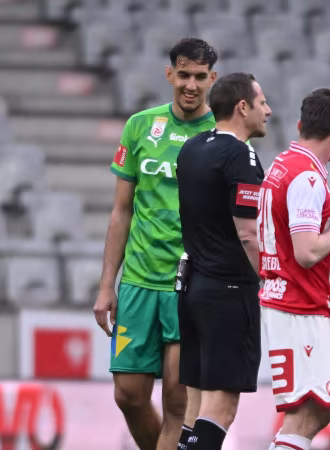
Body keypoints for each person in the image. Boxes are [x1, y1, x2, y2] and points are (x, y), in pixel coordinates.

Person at [92, 37, 218, 450]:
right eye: (184, 75)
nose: (191, 85)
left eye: (200, 76)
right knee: (128, 396)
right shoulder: (141, 126)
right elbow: (120, 211)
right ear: (169, 74)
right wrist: (107, 285)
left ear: (212, 79)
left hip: (188, 286)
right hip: (138, 283)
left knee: (177, 402)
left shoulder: (223, 136)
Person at [258, 88, 330, 450]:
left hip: (285, 299)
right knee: (306, 414)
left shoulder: (282, 164)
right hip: (298, 306)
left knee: (313, 412)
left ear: (301, 125)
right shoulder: (307, 177)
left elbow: (300, 252)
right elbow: (305, 253)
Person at [175, 72, 270, 450]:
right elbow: (248, 233)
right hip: (227, 289)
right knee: (221, 407)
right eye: (262, 102)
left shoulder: (192, 147)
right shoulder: (241, 155)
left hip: (192, 287)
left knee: (195, 405)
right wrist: (269, 276)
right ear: (243, 107)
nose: (268, 110)